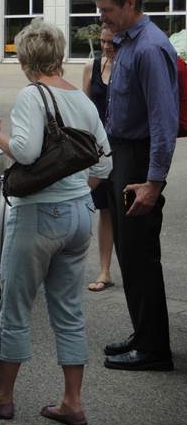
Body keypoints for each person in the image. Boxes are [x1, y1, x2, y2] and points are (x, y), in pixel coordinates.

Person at [0, 20, 112, 425]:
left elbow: (26, 154)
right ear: (59, 56)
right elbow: (104, 160)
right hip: (81, 214)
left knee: (15, 305)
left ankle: (1, 395)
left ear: (24, 58)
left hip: (40, 215)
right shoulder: (82, 101)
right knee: (67, 309)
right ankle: (71, 402)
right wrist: (77, 189)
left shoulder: (33, 94)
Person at [89, 0, 179, 371]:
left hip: (139, 161)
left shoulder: (149, 48)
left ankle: (154, 349)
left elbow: (164, 121)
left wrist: (154, 183)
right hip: (121, 157)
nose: (103, 18)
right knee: (129, 252)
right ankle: (144, 335)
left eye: (108, 10)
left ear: (129, 3)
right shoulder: (127, 43)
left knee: (141, 255)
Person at [82, 24, 117, 292]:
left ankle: (130, 265)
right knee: (104, 210)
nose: (107, 47)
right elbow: (84, 111)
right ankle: (104, 271)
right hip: (99, 151)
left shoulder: (128, 68)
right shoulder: (91, 68)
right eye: (104, 42)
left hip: (124, 150)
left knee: (124, 211)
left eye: (112, 42)